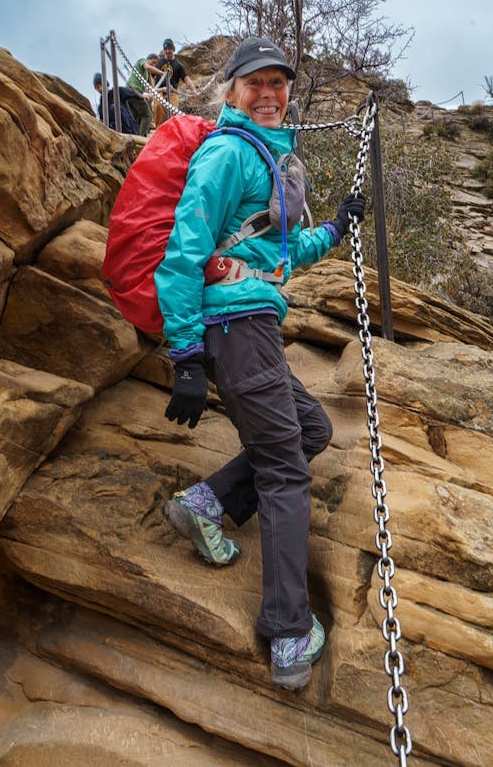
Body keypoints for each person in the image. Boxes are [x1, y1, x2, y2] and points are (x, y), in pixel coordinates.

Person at [155, 36, 366, 691]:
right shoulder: (226, 153)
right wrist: (185, 353)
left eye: (279, 83)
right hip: (232, 327)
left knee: (312, 432)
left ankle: (205, 504)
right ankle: (287, 631)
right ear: (231, 92)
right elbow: (183, 254)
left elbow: (273, 253)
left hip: (251, 323)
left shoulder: (267, 159)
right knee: (284, 469)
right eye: (256, 83)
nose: (270, 94)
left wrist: (332, 231)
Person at [152, 38, 198, 127]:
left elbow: (186, 79)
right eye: (165, 49)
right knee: (158, 107)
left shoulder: (178, 65)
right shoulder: (159, 62)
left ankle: (172, 130)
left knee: (173, 111)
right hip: (159, 90)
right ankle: (159, 129)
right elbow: (152, 76)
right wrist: (151, 89)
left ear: (173, 49)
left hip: (172, 92)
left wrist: (193, 90)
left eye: (169, 49)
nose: (167, 51)